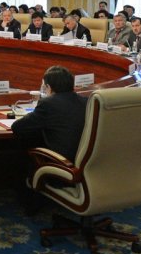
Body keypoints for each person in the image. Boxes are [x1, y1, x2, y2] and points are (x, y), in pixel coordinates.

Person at [9, 66, 87, 213]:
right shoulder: (86, 101)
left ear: (49, 88)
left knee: (22, 150)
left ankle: (29, 203)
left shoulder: (48, 104)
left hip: (64, 167)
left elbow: (18, 127)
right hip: (87, 166)